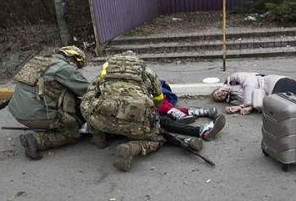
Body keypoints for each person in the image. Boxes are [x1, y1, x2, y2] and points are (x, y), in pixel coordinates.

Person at [82, 51, 223, 171]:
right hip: (136, 126)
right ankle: (131, 148)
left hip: (104, 123)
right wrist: (149, 114)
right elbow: (159, 100)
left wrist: (96, 124)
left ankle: (99, 140)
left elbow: (87, 100)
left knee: (92, 109)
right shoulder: (146, 73)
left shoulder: (103, 75)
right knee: (159, 136)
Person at [7, 46, 90, 160]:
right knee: (73, 133)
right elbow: (85, 89)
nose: (77, 68)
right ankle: (37, 140)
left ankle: (44, 126)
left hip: (17, 113)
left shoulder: (37, 61)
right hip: (36, 117)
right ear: (74, 58)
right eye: (78, 65)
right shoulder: (63, 68)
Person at [212, 72, 296, 115]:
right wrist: (239, 108)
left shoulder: (232, 79)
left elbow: (250, 82)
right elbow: (256, 103)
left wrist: (246, 104)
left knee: (285, 112)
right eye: (219, 98)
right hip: (272, 96)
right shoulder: (233, 100)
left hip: (279, 83)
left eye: (217, 93)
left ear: (220, 87)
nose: (219, 95)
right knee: (294, 115)